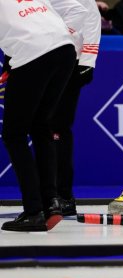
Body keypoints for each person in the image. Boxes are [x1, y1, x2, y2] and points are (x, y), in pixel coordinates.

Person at [0, 0, 87, 232]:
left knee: (13, 133)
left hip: (32, 53)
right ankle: (52, 203)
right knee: (41, 126)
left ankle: (33, 210)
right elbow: (80, 9)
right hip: (65, 50)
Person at [51, 0, 102, 216]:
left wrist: (88, 62)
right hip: (39, 61)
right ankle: (48, 194)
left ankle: (63, 196)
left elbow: (92, 19)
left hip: (72, 63)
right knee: (43, 129)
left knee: (59, 128)